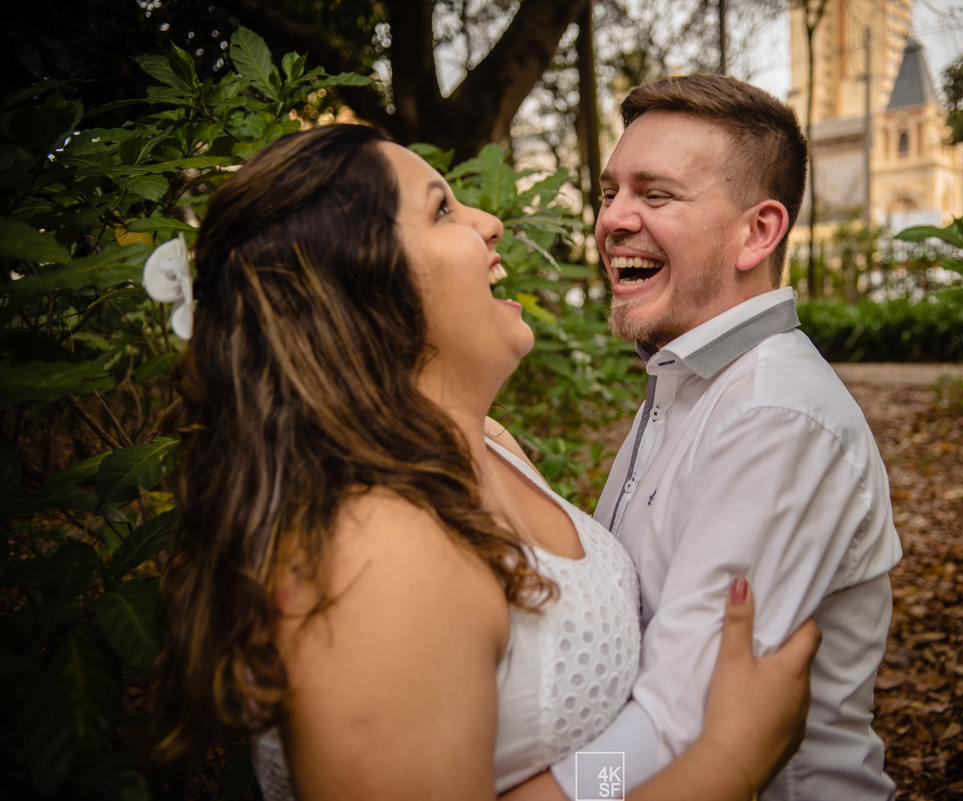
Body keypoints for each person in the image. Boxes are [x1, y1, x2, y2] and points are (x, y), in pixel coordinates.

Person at [149, 123, 820, 801]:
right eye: (442, 209)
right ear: (361, 285)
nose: (492, 221)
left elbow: (571, 766)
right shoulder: (377, 554)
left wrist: (629, 774)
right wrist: (729, 762)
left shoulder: (487, 446)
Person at [515, 74, 903, 801]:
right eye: (610, 192)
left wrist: (552, 798)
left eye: (654, 195)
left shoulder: (772, 418)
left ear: (757, 232)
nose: (612, 220)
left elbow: (678, 729)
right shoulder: (684, 380)